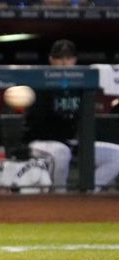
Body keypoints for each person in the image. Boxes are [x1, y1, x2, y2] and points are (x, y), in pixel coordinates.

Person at [26, 40, 119, 191]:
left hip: (70, 143)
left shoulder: (81, 87)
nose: (64, 62)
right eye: (59, 58)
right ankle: (59, 197)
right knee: (61, 153)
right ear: (51, 60)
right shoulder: (40, 84)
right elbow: (35, 124)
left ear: (75, 60)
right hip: (41, 142)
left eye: (68, 58)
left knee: (116, 155)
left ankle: (88, 193)